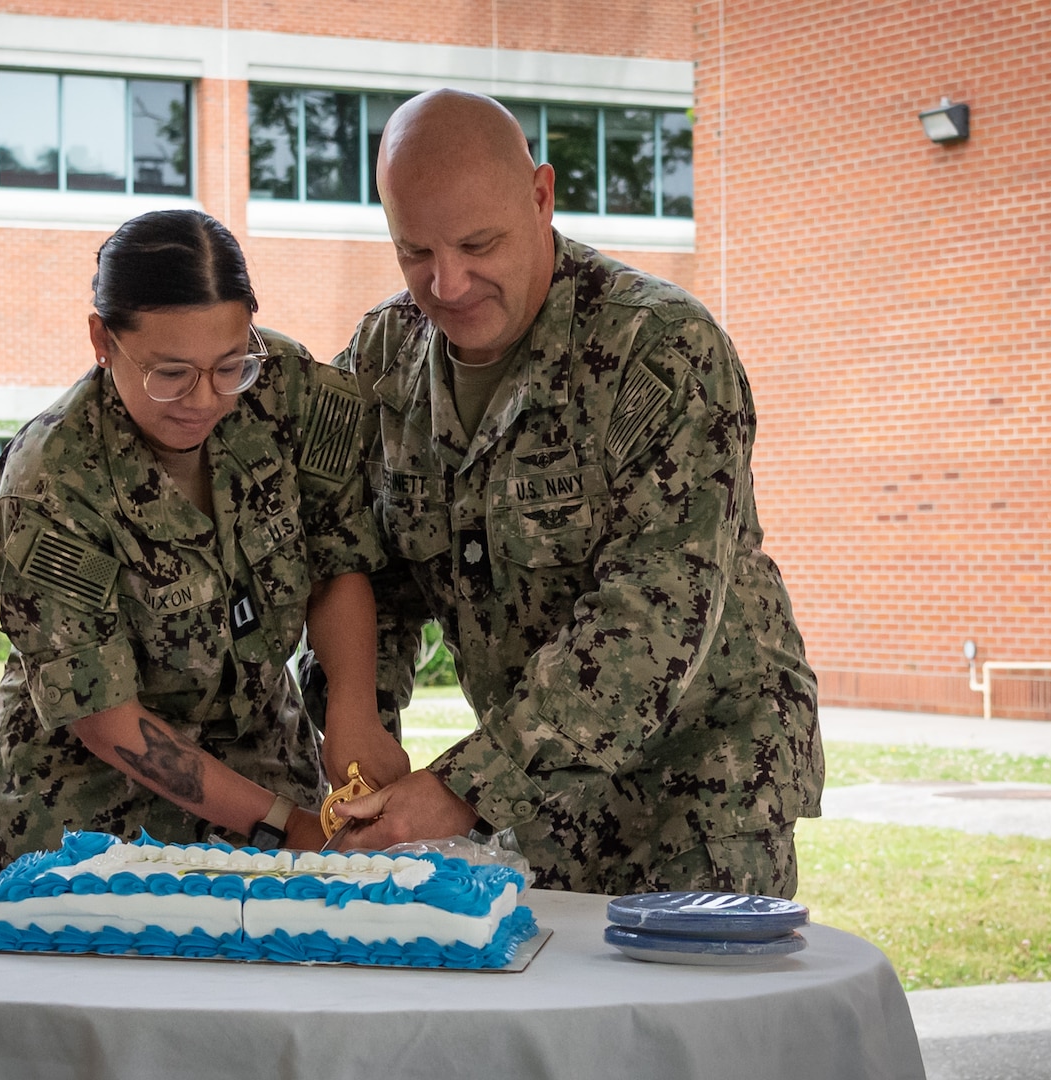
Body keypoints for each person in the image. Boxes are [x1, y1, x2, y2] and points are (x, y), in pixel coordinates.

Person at [328, 90, 824, 898]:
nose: (445, 282)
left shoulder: (660, 350)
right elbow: (360, 565)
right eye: (412, 250)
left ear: (541, 195)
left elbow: (653, 614)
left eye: (476, 243)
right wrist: (361, 719)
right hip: (539, 806)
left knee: (677, 1025)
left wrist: (461, 789)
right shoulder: (383, 357)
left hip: (701, 793)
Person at [0, 209, 407, 879]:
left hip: (272, 777)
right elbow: (105, 717)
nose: (205, 399)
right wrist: (283, 823)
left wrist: (351, 709)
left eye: (229, 365)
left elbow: (336, 557)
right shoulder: (50, 482)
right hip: (94, 831)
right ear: (102, 340)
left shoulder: (287, 390)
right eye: (170, 373)